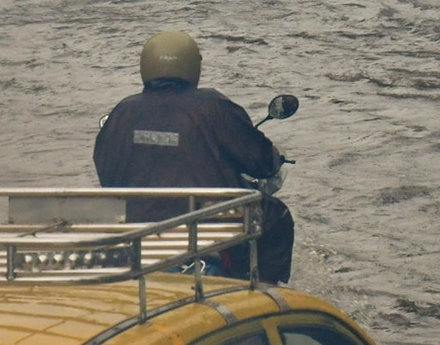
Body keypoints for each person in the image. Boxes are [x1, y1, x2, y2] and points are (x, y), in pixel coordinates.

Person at [94, 30, 294, 283]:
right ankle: (269, 294)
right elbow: (261, 163)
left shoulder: (123, 111)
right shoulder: (214, 106)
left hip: (138, 228)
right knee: (277, 215)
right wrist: (274, 157)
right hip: (207, 226)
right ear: (193, 65)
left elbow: (106, 172)